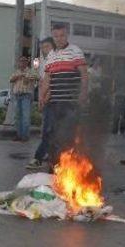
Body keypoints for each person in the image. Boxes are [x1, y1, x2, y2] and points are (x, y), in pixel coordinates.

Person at [40, 23, 88, 167]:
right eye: (56, 36)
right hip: (54, 102)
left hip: (71, 103)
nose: (59, 39)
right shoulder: (51, 56)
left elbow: (84, 75)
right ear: (52, 37)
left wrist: (83, 94)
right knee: (52, 134)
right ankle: (54, 165)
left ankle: (69, 166)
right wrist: (42, 97)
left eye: (62, 35)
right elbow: (47, 79)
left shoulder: (75, 51)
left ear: (66, 35)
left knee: (68, 135)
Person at [27, 37, 55, 170]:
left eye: (47, 47)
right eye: (43, 47)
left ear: (53, 48)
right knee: (47, 130)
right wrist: (40, 99)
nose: (44, 50)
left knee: (48, 130)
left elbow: (53, 83)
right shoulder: (40, 61)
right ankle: (51, 156)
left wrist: (46, 98)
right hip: (44, 98)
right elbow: (40, 81)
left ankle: (38, 157)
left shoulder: (55, 60)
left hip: (53, 99)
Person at [10, 56, 38, 142]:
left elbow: (37, 78)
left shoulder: (30, 71)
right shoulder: (17, 72)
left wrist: (28, 78)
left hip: (26, 95)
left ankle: (25, 136)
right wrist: (19, 76)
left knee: (25, 116)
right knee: (18, 116)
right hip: (17, 95)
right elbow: (11, 79)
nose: (22, 63)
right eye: (21, 61)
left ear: (26, 63)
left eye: (24, 61)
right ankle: (19, 135)